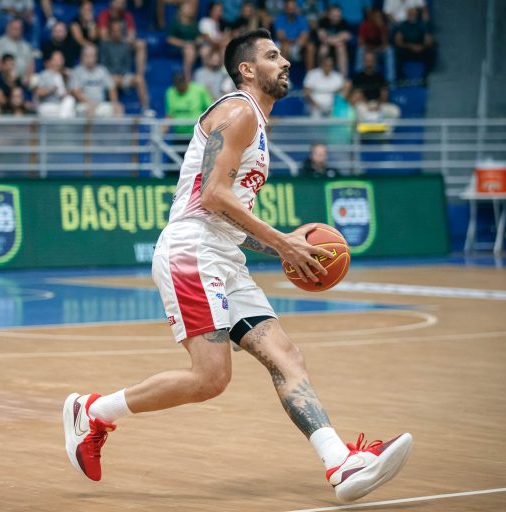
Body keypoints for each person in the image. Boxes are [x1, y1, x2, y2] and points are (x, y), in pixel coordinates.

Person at [62, 29, 413, 503]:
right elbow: (212, 195)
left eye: (283, 55)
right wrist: (282, 242)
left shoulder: (257, 124)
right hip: (191, 250)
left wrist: (283, 249)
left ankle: (340, 463)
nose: (285, 62)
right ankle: (94, 412)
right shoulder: (239, 111)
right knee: (210, 378)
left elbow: (228, 214)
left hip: (223, 254)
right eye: (273, 55)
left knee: (287, 357)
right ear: (247, 69)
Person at [99, 20, 150, 113]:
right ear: (110, 31)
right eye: (114, 30)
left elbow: (127, 64)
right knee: (111, 81)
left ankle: (146, 108)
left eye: (119, 30)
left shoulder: (126, 45)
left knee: (139, 79)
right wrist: (112, 75)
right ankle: (115, 110)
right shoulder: (105, 45)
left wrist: (121, 75)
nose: (116, 33)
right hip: (109, 76)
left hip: (124, 76)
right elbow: (102, 65)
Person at [97, 0, 147, 79]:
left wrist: (120, 38)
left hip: (123, 43)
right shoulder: (104, 14)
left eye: (122, 3)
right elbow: (103, 36)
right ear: (112, 3)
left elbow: (132, 36)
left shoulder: (127, 15)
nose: (120, 5)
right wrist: (116, 37)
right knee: (103, 43)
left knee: (141, 44)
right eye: (118, 2)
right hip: (109, 44)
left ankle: (139, 76)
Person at [69, 44, 122, 118]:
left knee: (118, 108)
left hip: (100, 104)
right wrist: (88, 103)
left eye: (91, 56)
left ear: (96, 57)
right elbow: (76, 92)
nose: (89, 59)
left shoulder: (102, 70)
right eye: (86, 56)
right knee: (86, 110)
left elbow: (111, 88)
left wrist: (115, 102)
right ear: (82, 57)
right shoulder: (77, 72)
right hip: (83, 104)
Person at [351, 51, 400, 122]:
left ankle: (385, 129)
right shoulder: (358, 77)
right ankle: (369, 127)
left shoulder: (380, 77)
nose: (369, 63)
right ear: (363, 62)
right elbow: (357, 96)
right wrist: (368, 106)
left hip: (378, 104)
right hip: (364, 105)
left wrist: (378, 106)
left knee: (395, 110)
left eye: (371, 60)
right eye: (367, 61)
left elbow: (384, 95)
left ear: (375, 62)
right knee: (359, 108)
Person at [165, 72, 213, 137]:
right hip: (179, 135)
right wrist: (163, 130)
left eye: (181, 83)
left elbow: (211, 110)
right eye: (177, 84)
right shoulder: (171, 92)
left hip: (197, 134)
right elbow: (170, 114)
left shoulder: (199, 90)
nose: (180, 87)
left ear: (186, 81)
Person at [0, 18, 35, 87]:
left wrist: (27, 77)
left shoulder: (26, 46)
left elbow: (31, 65)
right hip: (5, 80)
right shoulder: (0, 43)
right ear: (8, 28)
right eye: (14, 28)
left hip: (23, 81)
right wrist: (9, 76)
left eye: (19, 29)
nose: (17, 31)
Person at [394, 7, 434, 82]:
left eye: (413, 13)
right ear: (407, 15)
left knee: (432, 51)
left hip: (420, 50)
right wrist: (411, 46)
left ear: (416, 14)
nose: (412, 15)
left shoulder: (422, 24)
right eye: (410, 14)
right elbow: (398, 41)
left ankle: (425, 76)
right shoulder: (403, 25)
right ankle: (400, 78)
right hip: (407, 50)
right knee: (397, 51)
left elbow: (428, 38)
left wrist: (422, 47)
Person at [355, 8, 394, 83]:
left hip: (379, 50)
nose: (377, 18)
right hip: (368, 49)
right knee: (360, 50)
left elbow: (386, 43)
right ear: (371, 17)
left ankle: (390, 80)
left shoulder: (383, 26)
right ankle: (358, 77)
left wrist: (381, 28)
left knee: (389, 50)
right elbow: (360, 42)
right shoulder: (365, 24)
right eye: (375, 16)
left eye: (379, 16)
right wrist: (370, 48)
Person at [166, 2, 202, 81]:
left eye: (190, 8)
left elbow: (197, 37)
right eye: (187, 8)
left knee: (205, 50)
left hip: (194, 46)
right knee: (189, 51)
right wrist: (185, 44)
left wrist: (199, 40)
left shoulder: (194, 23)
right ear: (181, 10)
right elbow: (169, 39)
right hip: (178, 48)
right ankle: (187, 77)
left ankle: (204, 75)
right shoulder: (175, 23)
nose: (190, 10)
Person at [34, 51, 75, 118]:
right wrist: (50, 89)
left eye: (60, 59)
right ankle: (62, 122)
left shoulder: (65, 76)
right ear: (51, 61)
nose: (59, 62)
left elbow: (67, 94)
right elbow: (38, 92)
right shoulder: (44, 75)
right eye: (56, 60)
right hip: (48, 105)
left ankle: (62, 120)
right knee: (69, 109)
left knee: (70, 100)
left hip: (61, 105)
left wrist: (69, 79)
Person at [317, 5, 351, 77]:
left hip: (338, 47)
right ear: (329, 15)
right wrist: (338, 38)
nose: (336, 18)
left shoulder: (344, 22)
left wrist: (330, 39)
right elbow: (322, 37)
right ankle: (320, 75)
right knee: (323, 49)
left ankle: (343, 77)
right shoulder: (323, 22)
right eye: (334, 16)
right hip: (326, 46)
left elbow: (347, 37)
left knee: (341, 47)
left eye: (338, 16)